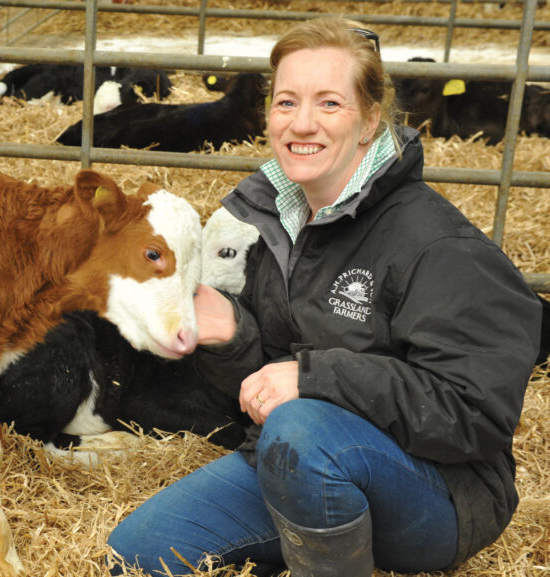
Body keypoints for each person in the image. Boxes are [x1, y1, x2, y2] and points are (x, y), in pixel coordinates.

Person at [106, 16, 541, 577]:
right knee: (140, 555)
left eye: (329, 103)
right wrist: (234, 338)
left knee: (301, 430)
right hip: (297, 463)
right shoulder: (281, 227)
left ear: (369, 121)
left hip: (439, 492)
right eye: (286, 102)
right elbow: (262, 392)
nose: (301, 122)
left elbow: (475, 413)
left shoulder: (439, 246)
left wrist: (314, 378)